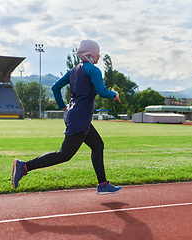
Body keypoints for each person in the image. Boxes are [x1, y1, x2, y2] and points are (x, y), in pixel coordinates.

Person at [12, 40, 121, 195]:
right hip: (81, 118)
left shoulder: (74, 70)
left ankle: (103, 184)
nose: (99, 54)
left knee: (97, 146)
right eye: (98, 51)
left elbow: (56, 87)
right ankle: (24, 167)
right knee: (65, 154)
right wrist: (114, 94)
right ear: (91, 52)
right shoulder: (93, 70)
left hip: (74, 115)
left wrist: (63, 107)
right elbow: (103, 92)